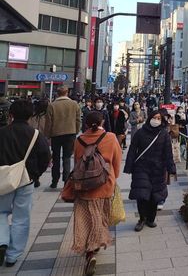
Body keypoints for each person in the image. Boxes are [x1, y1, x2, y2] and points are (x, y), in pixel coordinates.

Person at [0, 100, 51, 268]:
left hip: (3, 180)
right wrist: (35, 175)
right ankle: (13, 255)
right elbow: (45, 157)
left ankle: (1, 241)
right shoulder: (35, 135)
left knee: (0, 213)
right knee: (21, 218)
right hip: (25, 180)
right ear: (30, 116)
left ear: (11, 115)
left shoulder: (2, 133)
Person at [71, 111, 121, 275]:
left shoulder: (79, 140)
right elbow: (116, 161)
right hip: (104, 184)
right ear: (103, 122)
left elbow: (77, 160)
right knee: (100, 216)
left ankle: (89, 250)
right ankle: (95, 246)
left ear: (85, 124)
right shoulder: (111, 137)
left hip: (83, 186)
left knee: (84, 218)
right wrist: (114, 177)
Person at [124, 110, 176, 232]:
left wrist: (171, 168)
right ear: (149, 118)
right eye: (154, 117)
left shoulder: (164, 134)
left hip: (158, 169)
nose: (156, 120)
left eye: (159, 118)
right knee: (142, 195)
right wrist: (128, 166)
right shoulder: (140, 133)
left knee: (154, 196)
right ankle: (142, 218)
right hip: (141, 167)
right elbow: (132, 150)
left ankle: (150, 218)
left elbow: (168, 153)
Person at [45, 86, 82, 189]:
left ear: (57, 93)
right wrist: (76, 131)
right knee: (67, 157)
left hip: (56, 134)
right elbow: (78, 120)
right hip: (70, 134)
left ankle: (54, 180)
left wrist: (48, 135)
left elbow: (48, 122)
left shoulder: (52, 105)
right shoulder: (74, 104)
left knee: (55, 158)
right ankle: (66, 180)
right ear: (67, 93)